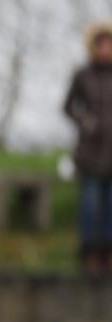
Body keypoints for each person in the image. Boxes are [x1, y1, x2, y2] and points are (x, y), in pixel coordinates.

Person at [64, 22, 112, 275]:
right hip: (91, 154)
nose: (106, 50)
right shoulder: (83, 75)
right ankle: (89, 254)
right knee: (91, 205)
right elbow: (68, 106)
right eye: (101, 45)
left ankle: (108, 254)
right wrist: (86, 122)